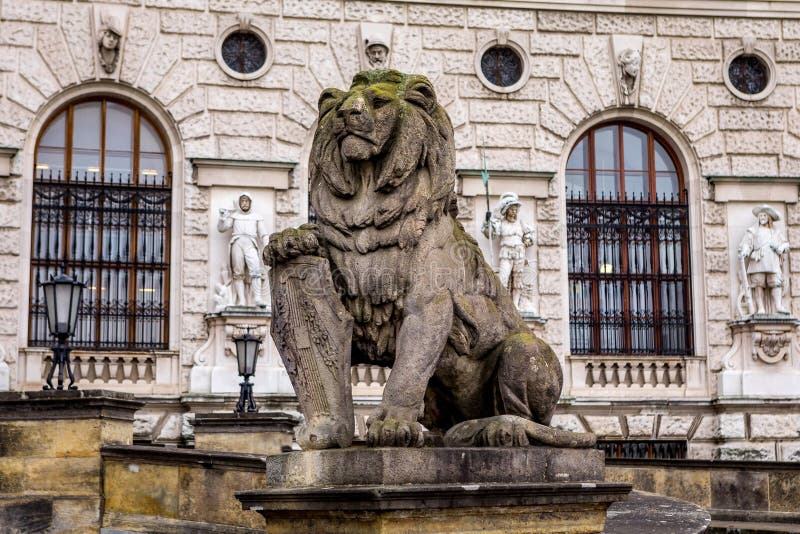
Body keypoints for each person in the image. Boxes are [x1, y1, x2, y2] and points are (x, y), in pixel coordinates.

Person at [482, 192, 536, 311]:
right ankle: (503, 305)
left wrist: (527, 241)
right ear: (506, 210)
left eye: (515, 209)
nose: (514, 212)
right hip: (506, 253)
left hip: (519, 253)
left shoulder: (520, 222)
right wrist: (487, 222)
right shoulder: (501, 223)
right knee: (503, 278)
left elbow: (530, 234)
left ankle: (515, 305)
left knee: (518, 279)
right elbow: (490, 234)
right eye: (512, 209)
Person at [217, 193, 268, 307]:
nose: (244, 203)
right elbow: (222, 228)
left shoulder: (256, 216)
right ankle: (241, 300)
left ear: (250, 202)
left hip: (251, 243)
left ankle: (257, 298)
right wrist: (222, 218)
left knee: (255, 270)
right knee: (238, 272)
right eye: (242, 201)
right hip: (237, 242)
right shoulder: (234, 216)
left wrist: (267, 245)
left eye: (246, 201)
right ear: (239, 203)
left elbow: (263, 233)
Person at [738, 204, 790, 315]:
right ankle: (760, 307)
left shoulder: (775, 232)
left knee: (775, 282)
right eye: (760, 216)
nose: (762, 218)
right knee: (758, 283)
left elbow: (785, 244)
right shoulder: (753, 231)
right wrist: (745, 251)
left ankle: (778, 305)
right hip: (758, 260)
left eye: (764, 216)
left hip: (772, 261)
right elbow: (747, 244)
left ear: (769, 218)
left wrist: (781, 248)